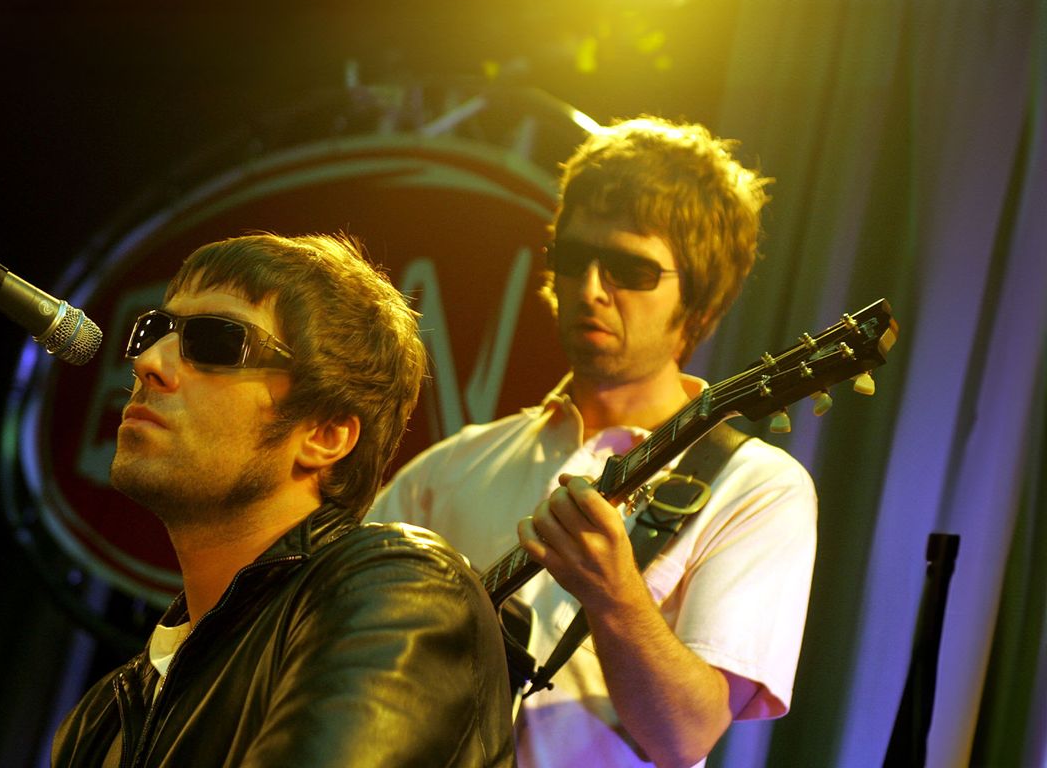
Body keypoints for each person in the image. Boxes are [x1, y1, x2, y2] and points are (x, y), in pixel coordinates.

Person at [369, 116, 817, 768]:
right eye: (574, 259)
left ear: (698, 296)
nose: (591, 289)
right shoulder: (453, 466)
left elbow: (684, 736)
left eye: (632, 269)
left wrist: (615, 597)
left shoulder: (757, 488)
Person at [52, 233, 516, 766]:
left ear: (324, 434)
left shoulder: (402, 591)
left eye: (218, 342)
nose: (148, 363)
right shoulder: (101, 716)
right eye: (154, 330)